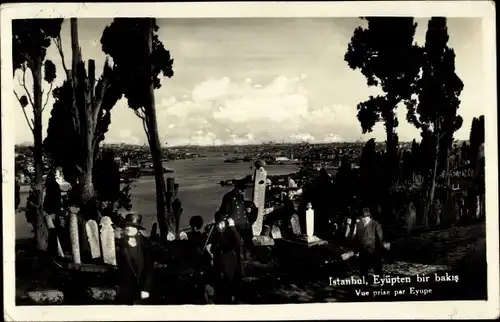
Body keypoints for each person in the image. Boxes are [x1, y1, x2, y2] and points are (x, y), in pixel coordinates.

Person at [116, 213, 154, 305]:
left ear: (138, 230)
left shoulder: (145, 244)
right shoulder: (119, 245)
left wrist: (146, 288)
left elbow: (149, 268)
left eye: (132, 226)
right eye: (127, 226)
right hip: (126, 290)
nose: (128, 228)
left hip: (142, 289)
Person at [218, 178, 256, 262]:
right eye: (241, 189)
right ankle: (239, 260)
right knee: (236, 244)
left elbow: (240, 207)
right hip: (234, 224)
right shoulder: (229, 197)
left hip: (243, 223)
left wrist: (248, 209)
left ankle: (247, 259)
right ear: (237, 188)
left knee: (248, 242)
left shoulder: (240, 196)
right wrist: (224, 222)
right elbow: (224, 211)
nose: (243, 191)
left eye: (243, 189)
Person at [210, 212, 242, 304]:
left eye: (222, 222)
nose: (220, 225)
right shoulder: (216, 232)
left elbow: (238, 243)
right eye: (218, 222)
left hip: (229, 261)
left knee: (228, 285)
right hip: (218, 262)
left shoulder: (231, 231)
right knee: (219, 287)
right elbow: (213, 247)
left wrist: (232, 227)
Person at [353, 207, 389, 285]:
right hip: (363, 251)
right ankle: (364, 283)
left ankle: (380, 282)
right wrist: (356, 250)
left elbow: (380, 239)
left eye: (364, 218)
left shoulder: (375, 224)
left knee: (377, 268)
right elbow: (356, 238)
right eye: (362, 218)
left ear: (368, 217)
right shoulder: (359, 225)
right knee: (363, 269)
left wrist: (380, 250)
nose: (363, 219)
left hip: (374, 251)